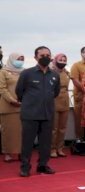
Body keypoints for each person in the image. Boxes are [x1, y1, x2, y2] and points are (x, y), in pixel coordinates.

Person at [16, 46, 61, 177]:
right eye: (42, 55)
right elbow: (19, 91)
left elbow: (55, 92)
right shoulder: (27, 73)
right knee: (27, 143)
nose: (45, 57)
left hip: (47, 114)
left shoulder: (55, 75)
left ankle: (43, 165)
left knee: (46, 143)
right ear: (36, 57)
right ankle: (25, 167)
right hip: (30, 114)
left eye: (48, 55)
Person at [0, 52, 24, 163]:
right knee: (8, 131)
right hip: (8, 106)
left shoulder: (24, 72)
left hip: (23, 106)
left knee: (22, 131)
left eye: (22, 59)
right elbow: (2, 88)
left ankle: (20, 152)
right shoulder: (3, 72)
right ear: (12, 59)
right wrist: (12, 100)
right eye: (18, 58)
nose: (20, 61)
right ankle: (7, 153)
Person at [50, 53, 71, 158]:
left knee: (63, 127)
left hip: (65, 100)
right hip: (54, 100)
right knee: (53, 128)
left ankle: (60, 148)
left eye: (64, 60)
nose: (62, 62)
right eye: (60, 60)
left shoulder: (66, 72)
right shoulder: (50, 72)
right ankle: (52, 149)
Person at [70, 46, 85, 140]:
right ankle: (80, 141)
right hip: (81, 97)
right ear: (81, 53)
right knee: (80, 120)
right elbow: (75, 81)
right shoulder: (76, 65)